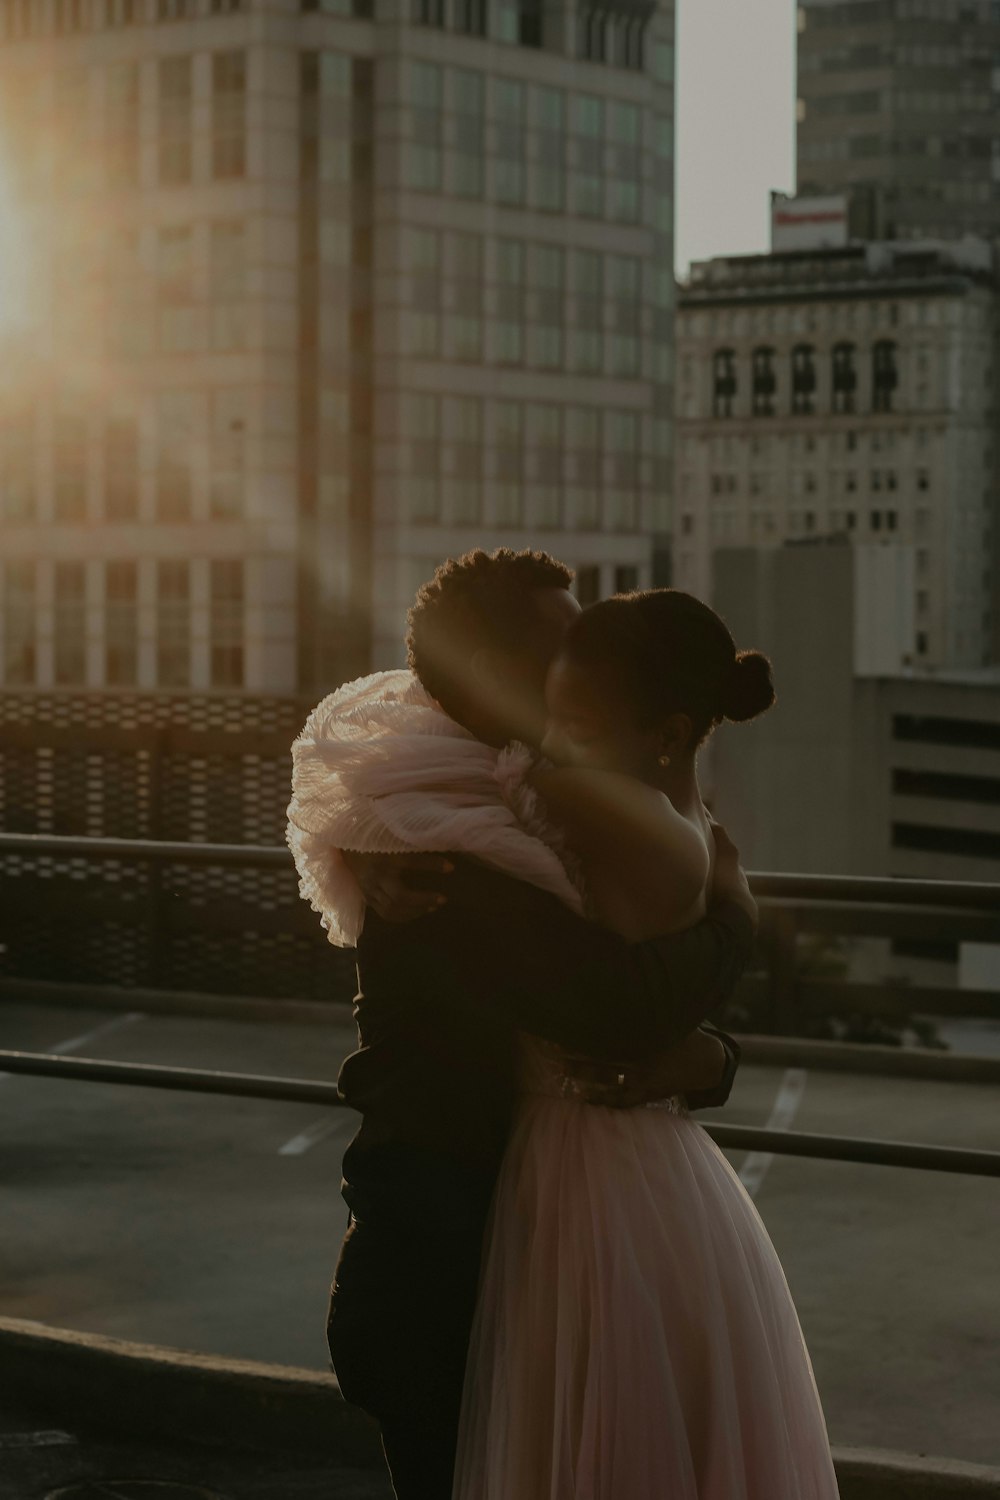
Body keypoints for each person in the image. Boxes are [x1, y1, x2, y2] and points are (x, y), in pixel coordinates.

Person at [286, 550, 757, 1500]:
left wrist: (711, 1058)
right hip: (446, 1275)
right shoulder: (453, 841)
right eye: (562, 640)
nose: (584, 658)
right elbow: (621, 1009)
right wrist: (737, 925)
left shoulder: (528, 793)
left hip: (535, 1244)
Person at [452, 588, 840, 1500]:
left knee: (589, 1438)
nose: (550, 744)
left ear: (667, 733)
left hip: (594, 1173)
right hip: (655, 1170)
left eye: (574, 725)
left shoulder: (612, 814)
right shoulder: (703, 838)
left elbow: (479, 795)